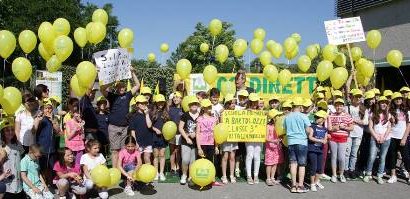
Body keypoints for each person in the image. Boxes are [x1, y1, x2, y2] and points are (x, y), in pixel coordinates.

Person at [100, 67, 140, 169]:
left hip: (124, 127)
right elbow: (102, 89)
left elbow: (138, 85)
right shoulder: (112, 96)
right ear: (116, 88)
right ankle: (115, 171)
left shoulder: (128, 95)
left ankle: (121, 171)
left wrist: (132, 72)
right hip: (113, 127)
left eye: (123, 86)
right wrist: (113, 79)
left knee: (123, 151)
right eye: (119, 86)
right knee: (114, 150)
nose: (121, 88)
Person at [284, 97, 312, 193]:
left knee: (293, 163)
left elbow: (285, 128)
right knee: (302, 164)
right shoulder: (304, 116)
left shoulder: (287, 117)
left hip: (291, 142)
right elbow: (308, 130)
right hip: (302, 142)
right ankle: (300, 186)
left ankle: (293, 185)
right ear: (300, 107)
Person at [363, 96, 391, 184]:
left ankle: (380, 175)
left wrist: (383, 137)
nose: (384, 104)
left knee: (382, 158)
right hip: (374, 138)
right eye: (382, 102)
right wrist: (376, 137)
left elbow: (389, 128)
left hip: (386, 139)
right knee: (372, 156)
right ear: (378, 104)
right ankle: (368, 174)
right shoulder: (373, 114)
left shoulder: (389, 114)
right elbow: (370, 127)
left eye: (385, 103)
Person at [33, 99, 61, 184]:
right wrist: (38, 119)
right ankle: (43, 183)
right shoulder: (40, 118)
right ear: (42, 109)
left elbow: (58, 131)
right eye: (45, 108)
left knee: (51, 166)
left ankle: (50, 182)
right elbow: (34, 130)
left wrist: (53, 121)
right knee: (42, 166)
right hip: (42, 147)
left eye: (50, 108)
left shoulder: (54, 118)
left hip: (51, 147)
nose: (48, 110)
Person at [327, 98, 354, 183]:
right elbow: (329, 128)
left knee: (342, 158)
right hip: (333, 138)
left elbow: (352, 127)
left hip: (343, 139)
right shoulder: (331, 115)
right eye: (337, 105)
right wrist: (336, 127)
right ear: (334, 106)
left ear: (343, 106)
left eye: (341, 105)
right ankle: (334, 175)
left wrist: (344, 127)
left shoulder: (347, 116)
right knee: (333, 157)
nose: (339, 107)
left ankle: (341, 174)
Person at [387, 92, 410, 183]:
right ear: (393, 100)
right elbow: (388, 124)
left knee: (406, 157)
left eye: (400, 98)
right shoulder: (390, 111)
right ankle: (393, 175)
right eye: (396, 98)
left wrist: (404, 138)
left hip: (402, 137)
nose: (398, 100)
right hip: (392, 136)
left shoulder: (407, 111)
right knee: (392, 156)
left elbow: (408, 126)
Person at [196, 99, 220, 186]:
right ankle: (201, 180)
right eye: (207, 107)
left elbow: (216, 133)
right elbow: (198, 133)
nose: (209, 108)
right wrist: (199, 148)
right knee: (202, 163)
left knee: (212, 162)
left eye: (210, 106)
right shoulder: (199, 119)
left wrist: (216, 146)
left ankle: (212, 179)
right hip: (202, 144)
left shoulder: (214, 119)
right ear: (203, 108)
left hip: (211, 144)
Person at [345, 90, 368, 179]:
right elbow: (345, 119)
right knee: (347, 152)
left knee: (354, 153)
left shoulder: (363, 109)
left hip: (358, 133)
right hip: (349, 133)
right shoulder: (347, 108)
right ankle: (345, 170)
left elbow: (365, 122)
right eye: (356, 96)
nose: (358, 98)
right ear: (352, 97)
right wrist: (358, 122)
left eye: (360, 96)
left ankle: (352, 169)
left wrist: (354, 121)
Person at [1, 118, 24, 197]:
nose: (10, 132)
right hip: (6, 181)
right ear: (2, 132)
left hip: (18, 180)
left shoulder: (17, 143)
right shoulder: (1, 146)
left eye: (12, 129)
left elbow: (22, 158)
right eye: (7, 130)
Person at [179, 97, 200, 185]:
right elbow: (180, 128)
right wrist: (187, 138)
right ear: (189, 106)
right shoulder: (185, 115)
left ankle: (191, 176)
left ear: (198, 105)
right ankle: (184, 175)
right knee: (185, 160)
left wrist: (196, 133)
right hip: (185, 141)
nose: (194, 105)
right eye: (192, 104)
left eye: (195, 104)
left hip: (196, 141)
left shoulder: (200, 115)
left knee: (193, 161)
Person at [129, 95, 153, 164]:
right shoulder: (133, 117)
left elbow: (149, 126)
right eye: (141, 103)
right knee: (138, 160)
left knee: (147, 157)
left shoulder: (148, 114)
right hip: (138, 141)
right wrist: (135, 142)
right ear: (137, 105)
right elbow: (132, 131)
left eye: (145, 103)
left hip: (148, 140)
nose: (144, 105)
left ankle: (148, 173)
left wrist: (147, 114)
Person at [308, 110, 328, 192]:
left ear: (323, 119)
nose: (316, 118)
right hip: (312, 149)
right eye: (316, 117)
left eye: (318, 117)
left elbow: (325, 139)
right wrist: (319, 141)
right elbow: (310, 137)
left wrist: (324, 140)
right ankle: (312, 183)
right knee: (313, 167)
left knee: (320, 168)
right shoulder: (313, 126)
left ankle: (316, 182)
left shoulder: (325, 129)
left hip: (320, 150)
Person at [220, 94, 238, 184]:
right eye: (231, 103)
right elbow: (221, 124)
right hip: (226, 138)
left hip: (234, 137)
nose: (233, 105)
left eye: (234, 103)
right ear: (227, 104)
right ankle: (224, 175)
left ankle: (231, 175)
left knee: (232, 157)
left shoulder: (237, 113)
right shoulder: (223, 113)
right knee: (225, 157)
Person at [245, 93, 263, 185]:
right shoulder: (246, 111)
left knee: (257, 156)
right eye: (253, 101)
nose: (254, 103)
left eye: (256, 101)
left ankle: (256, 175)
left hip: (259, 136)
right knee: (250, 155)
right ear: (250, 101)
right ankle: (249, 175)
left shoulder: (262, 112)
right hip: (249, 136)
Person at [151, 94, 168, 181]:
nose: (160, 104)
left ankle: (161, 173)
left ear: (164, 103)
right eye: (159, 102)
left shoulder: (166, 113)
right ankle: (156, 172)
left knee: (162, 155)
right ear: (156, 103)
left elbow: (169, 126)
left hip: (163, 137)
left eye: (162, 102)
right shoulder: (152, 112)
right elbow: (149, 125)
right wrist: (155, 129)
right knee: (155, 155)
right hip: (154, 136)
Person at [265, 109, 284, 186]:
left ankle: (273, 177)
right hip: (269, 147)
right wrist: (273, 141)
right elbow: (266, 138)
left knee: (275, 162)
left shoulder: (278, 125)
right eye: (277, 116)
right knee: (269, 163)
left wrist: (280, 139)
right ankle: (268, 178)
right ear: (273, 117)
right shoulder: (268, 126)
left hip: (277, 147)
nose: (279, 117)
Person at [167, 91, 183, 176]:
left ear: (181, 99)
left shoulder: (183, 109)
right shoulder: (171, 109)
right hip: (171, 133)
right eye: (174, 98)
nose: (175, 99)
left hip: (180, 133)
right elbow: (167, 106)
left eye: (177, 97)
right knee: (172, 151)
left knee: (179, 151)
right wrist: (170, 97)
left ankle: (178, 166)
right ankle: (172, 168)